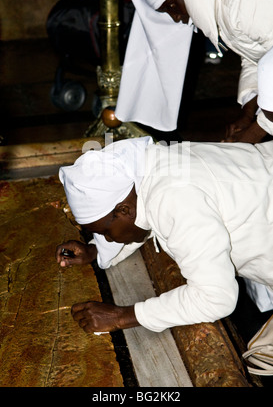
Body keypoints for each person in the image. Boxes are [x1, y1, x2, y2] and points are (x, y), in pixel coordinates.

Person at [56, 137, 273, 334]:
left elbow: (216, 297)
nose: (109, 239)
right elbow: (147, 217)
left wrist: (122, 316)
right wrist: (95, 249)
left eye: (105, 232)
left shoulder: (174, 199)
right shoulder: (155, 164)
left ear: (124, 210)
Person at [114, 0, 273, 144]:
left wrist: (254, 133)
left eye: (171, 7)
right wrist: (247, 115)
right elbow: (256, 54)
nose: (176, 18)